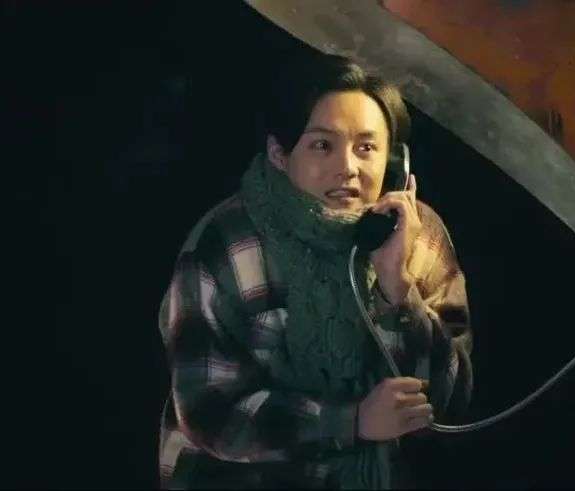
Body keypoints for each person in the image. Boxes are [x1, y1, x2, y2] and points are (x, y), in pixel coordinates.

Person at [157, 52, 473, 489]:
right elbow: (209, 413)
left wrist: (397, 289)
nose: (348, 168)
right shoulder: (228, 242)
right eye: (323, 145)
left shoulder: (417, 235)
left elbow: (452, 399)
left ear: (395, 161)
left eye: (366, 148)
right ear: (279, 153)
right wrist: (350, 422)